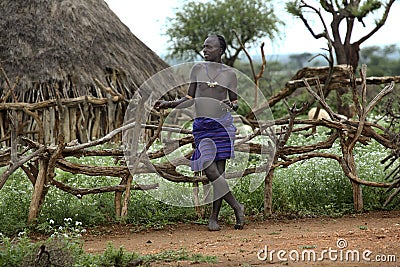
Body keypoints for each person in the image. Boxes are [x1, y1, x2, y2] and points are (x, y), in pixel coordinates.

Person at [155, 34, 244, 231]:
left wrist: (231, 104)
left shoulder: (230, 74)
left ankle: (214, 218)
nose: (204, 50)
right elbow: (189, 98)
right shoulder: (197, 69)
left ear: (220, 51)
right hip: (202, 126)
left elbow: (235, 103)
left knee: (218, 173)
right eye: (204, 46)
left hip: (222, 125)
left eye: (209, 47)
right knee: (210, 169)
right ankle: (237, 206)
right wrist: (169, 104)